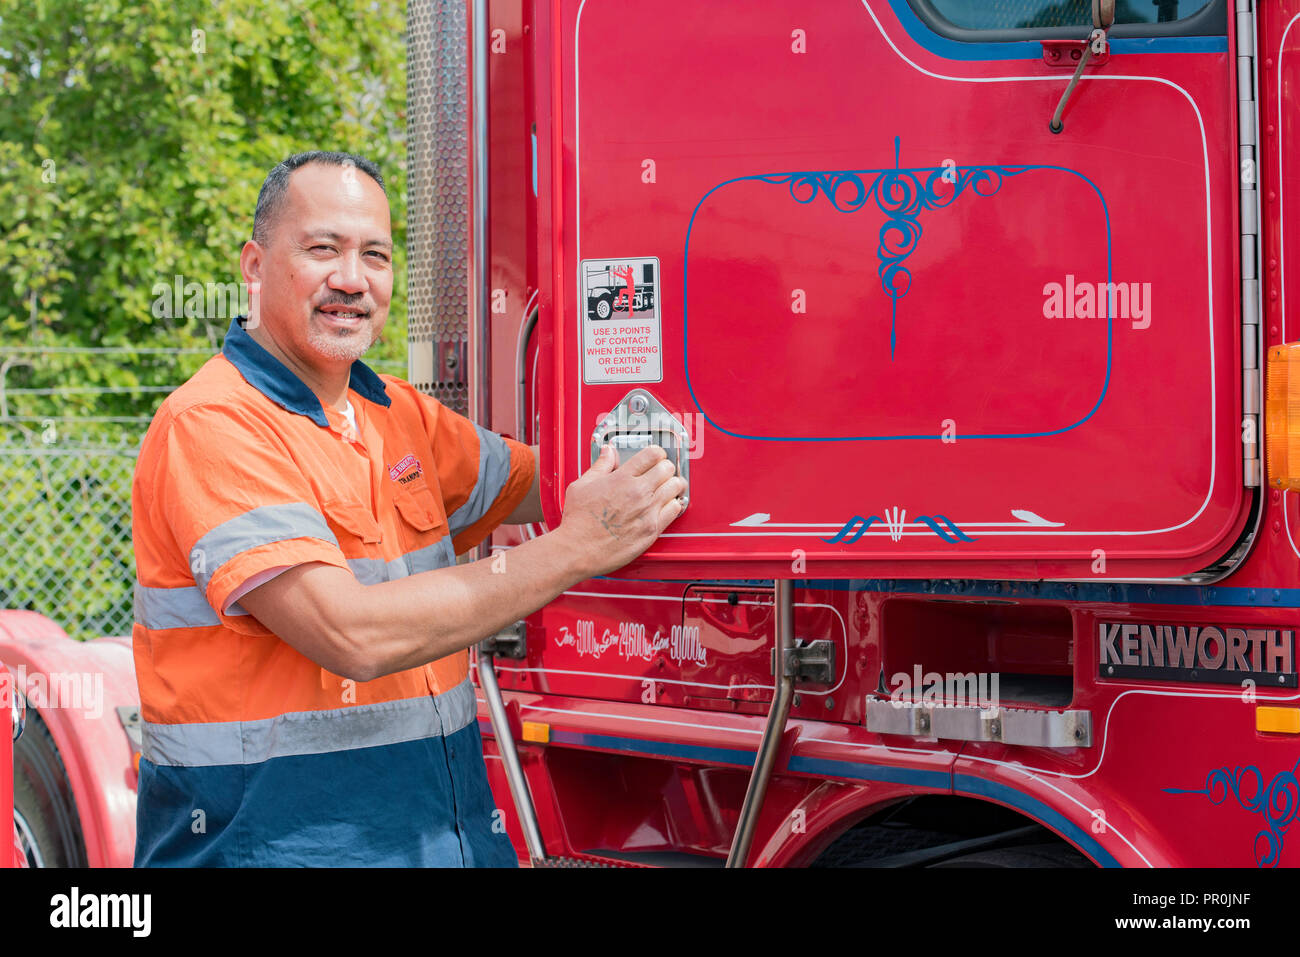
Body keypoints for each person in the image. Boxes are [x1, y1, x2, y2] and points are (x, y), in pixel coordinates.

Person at [130, 150, 685, 866]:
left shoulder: (395, 413)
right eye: (322, 249)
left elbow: (560, 483)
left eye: (376, 255)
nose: (352, 279)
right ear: (255, 264)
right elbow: (350, 634)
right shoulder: (213, 423)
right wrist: (577, 545)